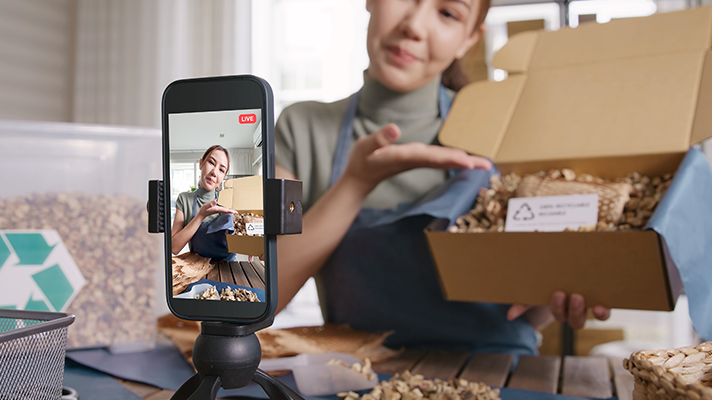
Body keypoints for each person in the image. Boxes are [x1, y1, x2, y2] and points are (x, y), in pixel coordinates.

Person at [274, 0, 610, 355]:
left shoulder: (508, 130)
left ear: (469, 38)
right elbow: (259, 297)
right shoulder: (300, 129)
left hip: (497, 374)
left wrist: (567, 289)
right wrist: (354, 185)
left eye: (448, 13)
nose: (414, 27)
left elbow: (527, 305)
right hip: (353, 377)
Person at [171, 145, 238, 261]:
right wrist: (200, 215)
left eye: (221, 170)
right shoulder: (184, 199)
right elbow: (174, 247)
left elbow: (246, 236)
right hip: (197, 269)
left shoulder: (230, 201)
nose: (214, 173)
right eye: (211, 163)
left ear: (224, 177)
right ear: (201, 163)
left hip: (229, 269)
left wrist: (259, 249)